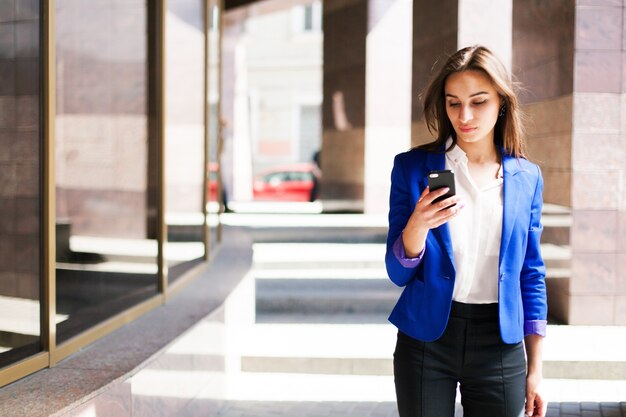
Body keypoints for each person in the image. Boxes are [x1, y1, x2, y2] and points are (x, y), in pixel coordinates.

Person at [385, 45, 547, 417]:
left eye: (479, 101)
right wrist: (418, 225)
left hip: (499, 342)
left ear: (502, 103)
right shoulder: (412, 169)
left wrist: (536, 370)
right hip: (427, 337)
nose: (465, 115)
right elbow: (397, 273)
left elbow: (531, 274)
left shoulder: (526, 178)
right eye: (453, 102)